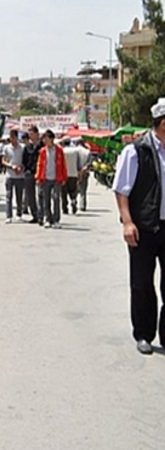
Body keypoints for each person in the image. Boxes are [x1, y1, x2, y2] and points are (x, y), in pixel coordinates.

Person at [112, 97, 165, 355]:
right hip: (143, 227)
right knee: (142, 284)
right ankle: (144, 334)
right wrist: (128, 222)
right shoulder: (136, 151)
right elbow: (122, 190)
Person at [35, 129, 67, 228]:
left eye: (46, 138)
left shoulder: (59, 150)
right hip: (45, 178)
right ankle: (48, 219)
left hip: (57, 178)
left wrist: (64, 177)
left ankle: (56, 219)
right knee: (46, 199)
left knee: (56, 198)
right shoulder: (43, 151)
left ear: (51, 139)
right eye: (44, 139)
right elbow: (39, 165)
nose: (45, 141)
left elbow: (63, 164)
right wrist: (38, 177)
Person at [1, 129, 25, 223]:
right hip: (10, 175)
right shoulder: (6, 148)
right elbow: (3, 161)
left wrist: (21, 168)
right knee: (8, 196)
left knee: (19, 196)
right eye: (10, 137)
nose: (11, 139)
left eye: (13, 137)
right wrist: (11, 166)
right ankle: (8, 216)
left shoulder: (22, 148)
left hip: (20, 175)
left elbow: (25, 160)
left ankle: (19, 214)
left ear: (16, 137)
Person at [22, 126, 43, 222]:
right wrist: (27, 169)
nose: (30, 136)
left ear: (37, 134)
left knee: (41, 194)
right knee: (30, 194)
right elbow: (24, 159)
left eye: (32, 134)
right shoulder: (27, 147)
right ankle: (35, 215)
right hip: (30, 172)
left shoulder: (43, 146)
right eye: (29, 134)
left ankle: (42, 214)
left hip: (41, 172)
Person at [61, 137, 80, 215]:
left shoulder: (62, 151)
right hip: (73, 173)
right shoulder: (75, 151)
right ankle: (73, 200)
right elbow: (78, 163)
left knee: (64, 192)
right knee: (73, 190)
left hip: (64, 174)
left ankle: (65, 207)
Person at [74, 138, 92, 211]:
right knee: (83, 190)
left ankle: (74, 201)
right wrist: (85, 168)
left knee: (75, 189)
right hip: (84, 172)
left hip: (75, 173)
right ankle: (82, 205)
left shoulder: (74, 150)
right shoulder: (87, 152)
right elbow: (90, 163)